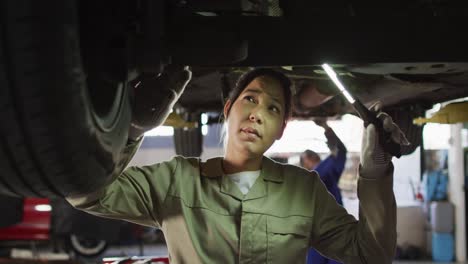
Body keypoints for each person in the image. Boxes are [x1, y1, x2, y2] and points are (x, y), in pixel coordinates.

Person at [67, 67, 407, 263]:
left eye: (273, 109)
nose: (258, 113)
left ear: (281, 129)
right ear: (228, 109)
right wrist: (130, 129)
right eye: (251, 99)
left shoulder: (305, 191)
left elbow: (371, 254)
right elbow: (89, 195)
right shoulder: (178, 180)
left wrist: (375, 172)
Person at [300, 119, 347, 264]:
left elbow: (341, 151)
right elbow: (341, 152)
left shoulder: (326, 168)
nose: (310, 155)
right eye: (307, 156)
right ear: (305, 163)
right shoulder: (314, 175)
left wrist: (327, 129)